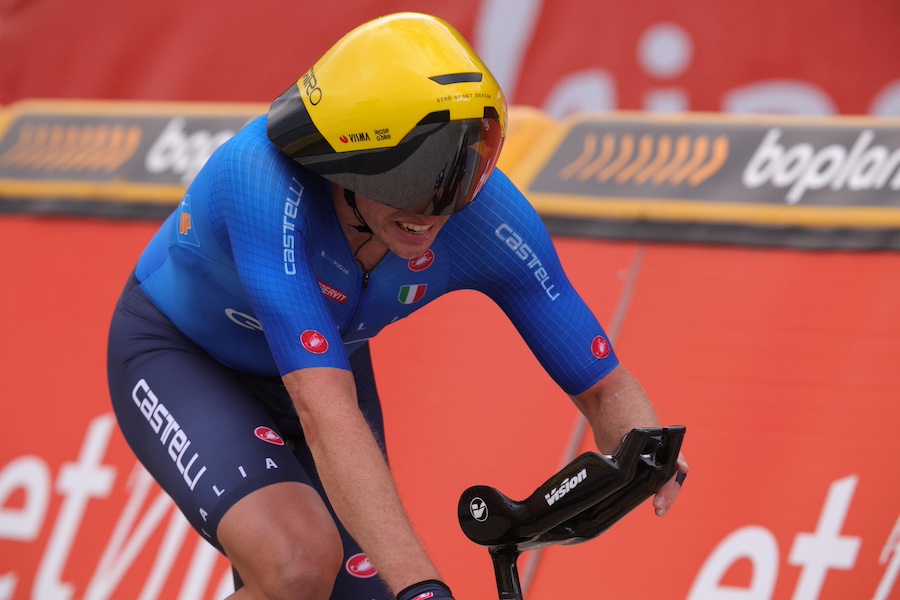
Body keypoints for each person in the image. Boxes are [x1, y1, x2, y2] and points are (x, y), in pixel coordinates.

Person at [107, 11, 688, 600]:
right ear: (343, 157)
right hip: (185, 356)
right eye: (411, 175)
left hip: (326, 366)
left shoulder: (484, 216)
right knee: (299, 566)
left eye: (464, 168)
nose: (434, 208)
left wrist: (645, 452)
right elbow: (322, 409)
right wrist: (423, 588)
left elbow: (603, 387)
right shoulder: (258, 178)